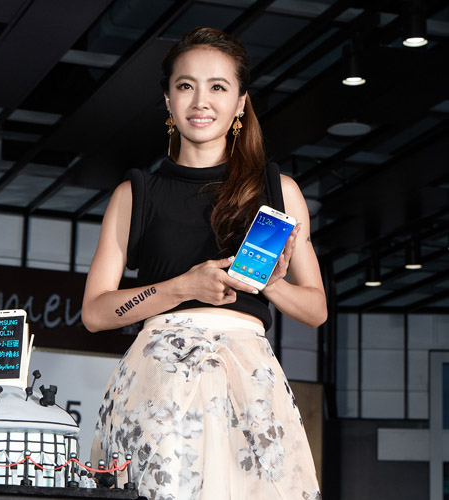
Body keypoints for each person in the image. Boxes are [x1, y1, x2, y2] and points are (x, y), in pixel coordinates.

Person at [82, 27, 327, 500]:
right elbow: (94, 312)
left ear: (240, 103)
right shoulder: (135, 195)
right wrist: (182, 287)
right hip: (158, 386)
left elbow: (316, 309)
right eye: (186, 85)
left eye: (218, 86)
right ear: (168, 100)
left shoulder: (278, 192)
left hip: (249, 384)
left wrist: (268, 283)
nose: (201, 101)